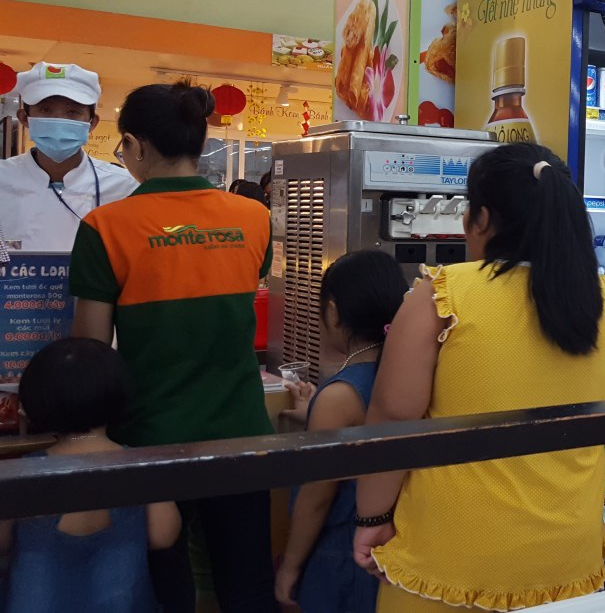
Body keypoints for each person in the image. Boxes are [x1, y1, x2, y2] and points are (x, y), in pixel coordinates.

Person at [354, 142, 605, 611]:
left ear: (481, 219)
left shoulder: (442, 294)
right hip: (565, 558)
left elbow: (393, 417)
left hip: (446, 557)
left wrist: (372, 516)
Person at [69, 81, 277, 613]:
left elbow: (90, 351)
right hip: (243, 433)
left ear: (136, 146)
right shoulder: (254, 217)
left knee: (164, 585)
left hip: (149, 439)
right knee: (248, 584)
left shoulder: (104, 227)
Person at [1, 338, 180, 612]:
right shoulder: (141, 467)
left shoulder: (22, 474)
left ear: (36, 400)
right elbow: (163, 536)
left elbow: (2, 542)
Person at [274, 250, 406, 612]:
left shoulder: (341, 395)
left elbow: (317, 497)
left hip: (341, 551)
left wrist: (290, 566)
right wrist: (316, 413)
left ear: (332, 311)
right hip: (391, 546)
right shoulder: (407, 375)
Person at [0, 62, 136, 252]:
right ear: (24, 118)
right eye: (45, 110)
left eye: (73, 112)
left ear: (92, 123)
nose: (59, 120)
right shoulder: (3, 178)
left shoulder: (124, 187)